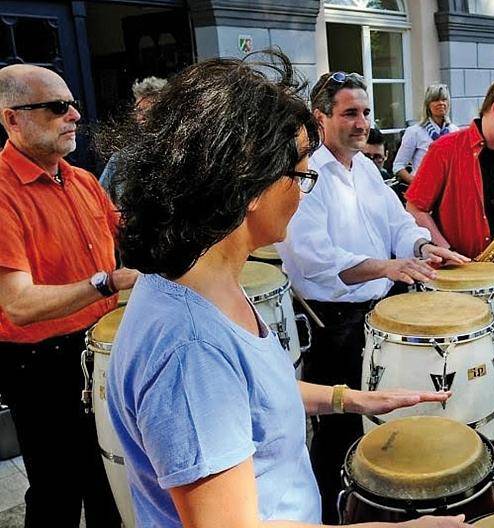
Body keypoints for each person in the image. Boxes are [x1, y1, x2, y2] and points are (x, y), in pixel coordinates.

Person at [106, 51, 469, 528]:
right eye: (299, 173)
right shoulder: (190, 351)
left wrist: (351, 399)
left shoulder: (201, 283)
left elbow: (254, 396)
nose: (303, 187)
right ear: (248, 186)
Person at [277, 71, 468, 523]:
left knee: (382, 424)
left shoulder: (364, 167)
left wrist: (422, 246)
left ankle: (379, 509)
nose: (362, 122)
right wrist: (387, 266)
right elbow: (315, 260)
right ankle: (332, 516)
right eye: (350, 113)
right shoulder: (305, 176)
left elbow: (399, 224)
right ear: (320, 117)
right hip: (331, 323)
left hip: (377, 316)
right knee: (338, 432)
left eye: (365, 112)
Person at [0, 64, 136, 527]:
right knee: (59, 488)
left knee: (107, 476)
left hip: (97, 347)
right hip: (41, 362)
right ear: (12, 119)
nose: (75, 115)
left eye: (72, 104)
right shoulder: (1, 192)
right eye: (58, 107)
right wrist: (107, 282)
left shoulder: (79, 179)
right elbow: (18, 305)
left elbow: (130, 236)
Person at [405, 76, 494, 474]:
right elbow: (415, 207)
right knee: (472, 374)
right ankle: (471, 447)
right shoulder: (446, 149)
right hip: (464, 285)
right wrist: (442, 248)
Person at [99, 76, 167, 200]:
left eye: (150, 111)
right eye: (139, 110)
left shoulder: (181, 158)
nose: (141, 118)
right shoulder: (119, 160)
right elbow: (99, 203)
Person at [392, 83, 456, 185]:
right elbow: (398, 166)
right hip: (424, 192)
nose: (441, 103)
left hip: (448, 190)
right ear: (428, 105)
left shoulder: (454, 131)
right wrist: (417, 184)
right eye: (436, 100)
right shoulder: (415, 132)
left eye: (444, 100)